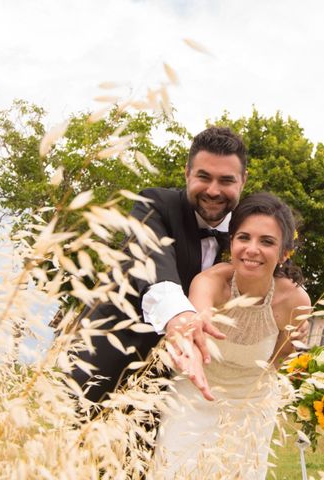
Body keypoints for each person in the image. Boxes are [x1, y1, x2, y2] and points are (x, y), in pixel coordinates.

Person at [71, 127, 309, 404]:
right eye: (203, 177)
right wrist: (180, 318)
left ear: (243, 180)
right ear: (187, 172)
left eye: (226, 180)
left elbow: (266, 276)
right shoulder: (154, 205)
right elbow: (154, 262)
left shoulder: (245, 231)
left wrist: (287, 322)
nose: (213, 190)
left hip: (174, 390)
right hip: (105, 369)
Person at [153, 192, 311, 479]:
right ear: (232, 242)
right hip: (193, 400)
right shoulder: (210, 282)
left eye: (267, 242)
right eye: (244, 237)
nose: (252, 249)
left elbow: (278, 361)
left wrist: (294, 347)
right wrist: (191, 340)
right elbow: (196, 326)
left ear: (285, 252)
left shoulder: (296, 302)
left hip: (251, 408)